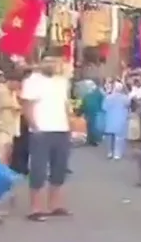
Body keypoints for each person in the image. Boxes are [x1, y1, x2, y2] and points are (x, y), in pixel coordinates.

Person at [19, 59, 74, 221]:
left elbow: (65, 104)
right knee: (38, 169)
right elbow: (26, 105)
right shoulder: (32, 81)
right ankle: (35, 208)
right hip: (42, 130)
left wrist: (70, 124)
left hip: (61, 129)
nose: (56, 66)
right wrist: (34, 126)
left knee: (60, 168)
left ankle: (55, 205)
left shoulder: (61, 81)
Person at [102, 81, 131, 160]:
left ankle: (109, 152)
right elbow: (128, 105)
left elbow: (104, 108)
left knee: (109, 137)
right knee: (119, 138)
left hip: (110, 119)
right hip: (121, 119)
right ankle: (117, 154)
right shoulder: (125, 98)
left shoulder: (108, 97)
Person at [81, 78, 104, 146]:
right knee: (91, 126)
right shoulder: (97, 93)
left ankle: (92, 140)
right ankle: (92, 139)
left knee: (92, 126)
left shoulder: (90, 93)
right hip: (93, 111)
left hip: (92, 111)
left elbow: (84, 102)